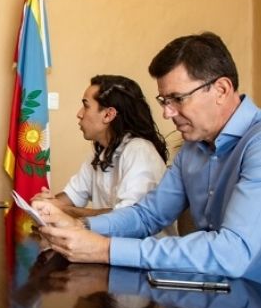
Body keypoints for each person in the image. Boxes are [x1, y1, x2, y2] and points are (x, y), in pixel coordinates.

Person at [36, 32, 261, 301]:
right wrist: (81, 225)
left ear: (221, 89)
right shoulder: (193, 149)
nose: (167, 113)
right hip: (210, 299)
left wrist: (106, 249)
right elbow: (148, 216)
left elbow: (232, 252)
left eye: (177, 99)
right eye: (164, 101)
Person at [32, 75, 175, 236]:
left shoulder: (139, 150)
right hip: (109, 248)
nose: (79, 114)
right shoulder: (100, 151)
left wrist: (63, 210)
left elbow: (127, 218)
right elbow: (71, 196)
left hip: (143, 255)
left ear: (108, 115)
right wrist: (48, 202)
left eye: (86, 106)